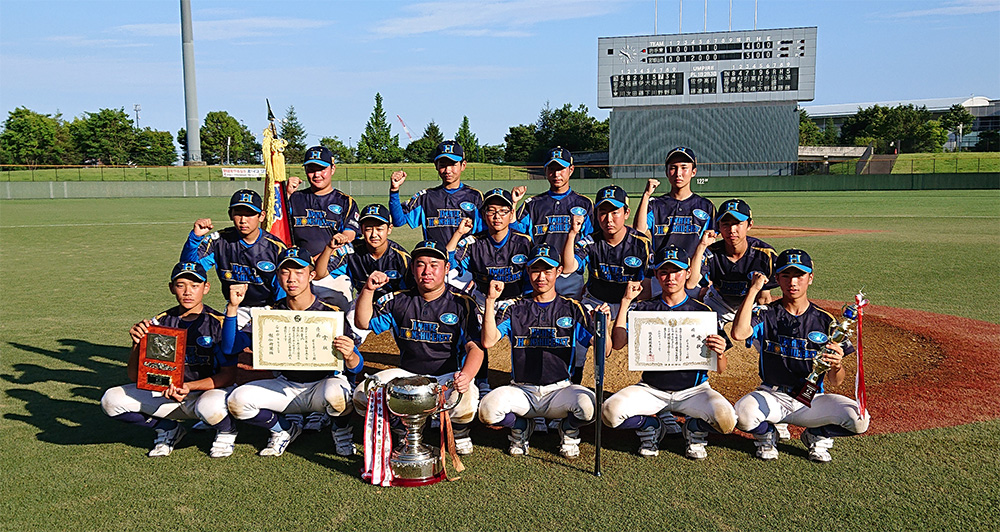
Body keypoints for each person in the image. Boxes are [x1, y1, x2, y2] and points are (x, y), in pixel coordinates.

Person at [730, 249, 870, 462]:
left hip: (811, 398)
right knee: (741, 414)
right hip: (773, 396)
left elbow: (836, 381)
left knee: (860, 419)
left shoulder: (826, 321)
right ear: (777, 279)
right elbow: (739, 333)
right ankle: (767, 433)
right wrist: (753, 290)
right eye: (786, 275)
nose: (792, 282)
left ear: (810, 278)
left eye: (799, 275)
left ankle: (817, 434)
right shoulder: (766, 313)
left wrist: (837, 365)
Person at [224, 247, 364, 457]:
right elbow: (231, 347)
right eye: (285, 272)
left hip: (321, 385)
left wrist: (351, 355)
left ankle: (340, 430)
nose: (292, 279)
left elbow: (357, 365)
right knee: (238, 400)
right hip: (284, 385)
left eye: (299, 272)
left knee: (339, 394)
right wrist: (233, 308)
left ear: (311, 274)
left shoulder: (330, 313)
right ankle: (283, 428)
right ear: (278, 275)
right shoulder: (269, 314)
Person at [602, 246, 737, 459]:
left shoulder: (703, 312)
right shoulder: (644, 309)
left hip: (694, 390)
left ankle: (694, 428)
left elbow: (720, 369)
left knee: (727, 420)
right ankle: (651, 425)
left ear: (688, 273)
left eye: (677, 271)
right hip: (652, 389)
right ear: (656, 274)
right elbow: (618, 344)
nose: (670, 277)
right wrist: (626, 302)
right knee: (610, 413)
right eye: (664, 272)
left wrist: (719, 354)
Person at [352, 240, 485, 455]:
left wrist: (466, 376)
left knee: (467, 397)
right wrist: (368, 290)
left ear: (446, 268)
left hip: (447, 376)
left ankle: (459, 431)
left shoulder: (463, 303)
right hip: (408, 376)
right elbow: (363, 322)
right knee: (363, 393)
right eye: (421, 264)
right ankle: (401, 427)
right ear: (413, 268)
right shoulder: (399, 300)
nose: (427, 271)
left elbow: (476, 347)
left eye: (434, 264)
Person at [479, 244, 611, 459]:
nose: (541, 277)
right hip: (522, 391)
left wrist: (603, 325)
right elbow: (488, 340)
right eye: (535, 270)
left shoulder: (572, 308)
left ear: (558, 272)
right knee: (487, 410)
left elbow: (603, 352)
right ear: (528, 272)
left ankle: (567, 430)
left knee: (590, 407)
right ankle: (521, 426)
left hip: (559, 391)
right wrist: (490, 300)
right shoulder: (514, 307)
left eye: (548, 271)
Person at [100, 262, 239, 458]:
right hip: (169, 394)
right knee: (111, 400)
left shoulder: (219, 323)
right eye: (181, 285)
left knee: (210, 407)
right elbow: (134, 376)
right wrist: (136, 345)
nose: (187, 292)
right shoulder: (159, 322)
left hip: (207, 394)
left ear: (206, 288)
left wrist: (189, 387)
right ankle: (168, 428)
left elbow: (229, 376)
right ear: (171, 288)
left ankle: (226, 431)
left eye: (195, 285)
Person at [180, 189, 286, 328]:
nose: (243, 220)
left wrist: (281, 313)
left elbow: (282, 287)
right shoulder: (218, 241)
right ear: (230, 214)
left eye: (250, 214)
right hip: (235, 308)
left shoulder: (275, 247)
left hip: (269, 308)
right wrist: (195, 238)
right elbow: (190, 269)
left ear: (261, 216)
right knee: (229, 348)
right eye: (238, 214)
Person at [388, 140, 484, 291]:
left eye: (453, 164)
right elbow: (399, 221)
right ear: (436, 166)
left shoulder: (475, 196)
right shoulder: (426, 197)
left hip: (465, 269)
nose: (448, 170)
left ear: (463, 165)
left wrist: (477, 274)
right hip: (434, 267)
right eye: (443, 164)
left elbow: (484, 236)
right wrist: (394, 191)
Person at [314, 203, 413, 343]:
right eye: (368, 229)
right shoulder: (352, 250)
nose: (374, 234)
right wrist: (329, 248)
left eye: (379, 229)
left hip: (395, 306)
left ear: (389, 229)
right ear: (361, 229)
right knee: (346, 340)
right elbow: (319, 274)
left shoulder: (401, 258)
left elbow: (413, 292)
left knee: (410, 344)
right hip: (364, 302)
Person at [511, 147, 594, 299]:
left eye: (561, 168)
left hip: (571, 276)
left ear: (571, 169)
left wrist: (579, 263)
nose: (556, 174)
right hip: (540, 274)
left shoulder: (584, 204)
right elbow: (516, 235)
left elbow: (592, 239)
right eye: (552, 168)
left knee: (569, 319)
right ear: (545, 171)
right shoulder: (533, 204)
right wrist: (513, 205)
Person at [633, 146, 716, 297]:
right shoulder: (656, 204)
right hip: (663, 275)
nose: (678, 173)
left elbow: (709, 246)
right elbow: (639, 230)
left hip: (693, 276)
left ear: (693, 172)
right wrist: (646, 195)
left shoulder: (705, 206)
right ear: (666, 172)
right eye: (673, 168)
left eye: (684, 168)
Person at [285, 145, 361, 309]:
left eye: (322, 169)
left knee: (337, 321)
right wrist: (286, 195)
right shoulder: (295, 198)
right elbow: (277, 227)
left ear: (332, 169)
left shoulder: (345, 201)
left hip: (333, 273)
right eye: (311, 169)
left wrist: (321, 257)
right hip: (299, 270)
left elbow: (349, 234)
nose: (317, 174)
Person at [689, 198, 777, 325]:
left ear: (749, 224)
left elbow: (764, 297)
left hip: (751, 304)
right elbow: (691, 284)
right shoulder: (711, 251)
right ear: (718, 226)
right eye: (726, 224)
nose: (732, 230)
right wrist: (702, 246)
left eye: (738, 223)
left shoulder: (765, 255)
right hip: (719, 303)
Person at [446, 187, 533, 306]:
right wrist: (458, 233)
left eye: (503, 211)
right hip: (482, 303)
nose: (497, 216)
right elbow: (448, 265)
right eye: (491, 211)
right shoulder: (473, 243)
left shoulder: (524, 242)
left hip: (515, 303)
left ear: (511, 213)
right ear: (483, 214)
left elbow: (532, 277)